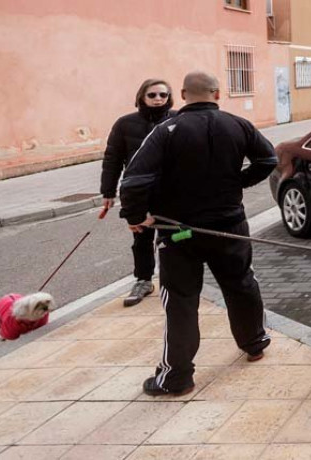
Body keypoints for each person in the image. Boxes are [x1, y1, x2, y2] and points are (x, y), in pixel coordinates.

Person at [119, 71, 278, 396]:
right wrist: (239, 181)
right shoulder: (238, 125)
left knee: (180, 301)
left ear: (182, 94)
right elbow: (268, 159)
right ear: (217, 93)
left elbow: (134, 179)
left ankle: (177, 377)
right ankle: (255, 344)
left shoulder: (166, 131)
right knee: (241, 284)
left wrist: (136, 217)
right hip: (230, 227)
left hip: (179, 233)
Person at [101, 79, 176, 307]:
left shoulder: (178, 119)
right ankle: (143, 280)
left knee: (175, 236)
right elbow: (112, 159)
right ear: (141, 97)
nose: (158, 99)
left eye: (163, 95)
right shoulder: (125, 124)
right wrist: (108, 191)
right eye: (152, 95)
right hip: (138, 193)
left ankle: (176, 278)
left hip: (170, 191)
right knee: (141, 238)